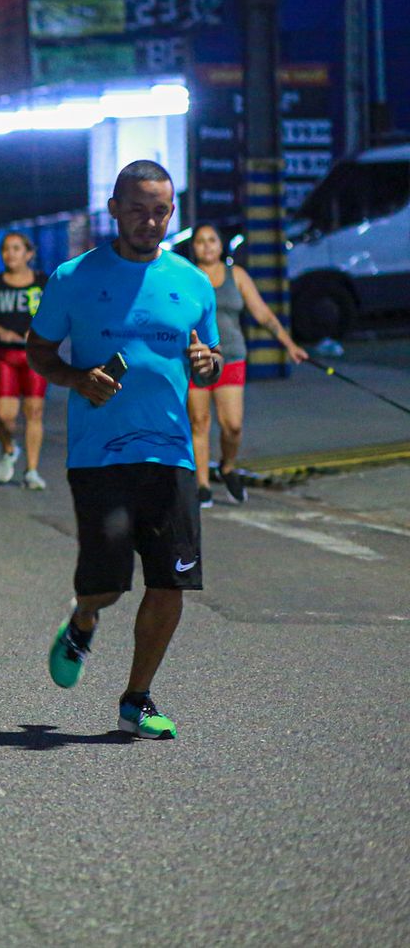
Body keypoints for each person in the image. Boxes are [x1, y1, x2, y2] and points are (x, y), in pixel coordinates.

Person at [26, 160, 221, 741]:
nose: (149, 220)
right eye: (137, 208)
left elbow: (206, 363)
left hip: (172, 456)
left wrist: (208, 367)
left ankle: (136, 699)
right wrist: (76, 379)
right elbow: (38, 352)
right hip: (99, 455)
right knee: (108, 584)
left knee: (171, 583)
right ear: (113, 209)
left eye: (160, 210)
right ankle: (83, 620)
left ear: (172, 213)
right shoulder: (73, 277)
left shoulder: (193, 282)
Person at [184, 222, 309, 507]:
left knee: (233, 426)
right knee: (199, 423)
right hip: (197, 360)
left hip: (232, 357)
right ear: (194, 247)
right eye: (201, 241)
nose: (206, 246)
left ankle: (227, 468)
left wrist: (289, 345)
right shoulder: (187, 277)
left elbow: (262, 313)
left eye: (212, 240)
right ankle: (202, 484)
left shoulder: (236, 275)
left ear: (221, 244)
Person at [0, 231, 50, 490]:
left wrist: (41, 331)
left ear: (29, 254)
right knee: (5, 416)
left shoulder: (43, 283)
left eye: (16, 248)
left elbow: (60, 313)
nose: (10, 254)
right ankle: (9, 448)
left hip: (36, 354)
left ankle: (32, 471)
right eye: (5, 249)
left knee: (34, 411)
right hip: (3, 356)